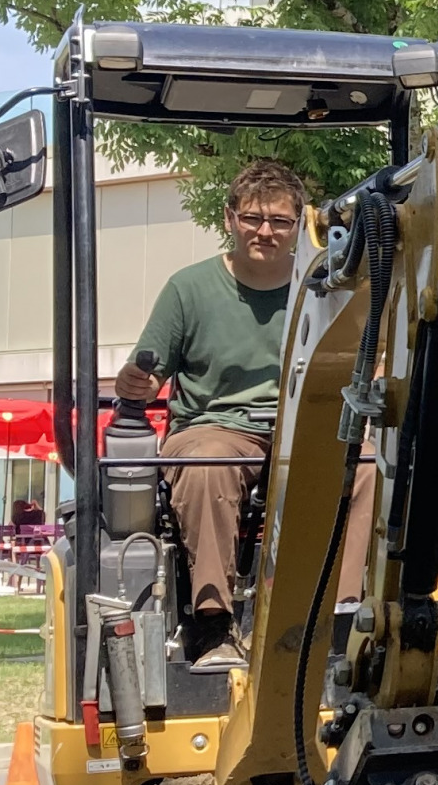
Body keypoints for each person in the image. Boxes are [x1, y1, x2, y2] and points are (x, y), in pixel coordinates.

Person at [117, 159, 311, 669]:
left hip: (302, 429)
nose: (265, 231)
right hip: (215, 426)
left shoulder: (323, 289)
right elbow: (147, 373)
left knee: (367, 467)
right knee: (207, 462)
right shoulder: (189, 289)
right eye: (252, 218)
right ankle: (211, 623)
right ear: (230, 219)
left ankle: (342, 615)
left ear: (299, 225)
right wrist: (135, 382)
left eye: (279, 221)